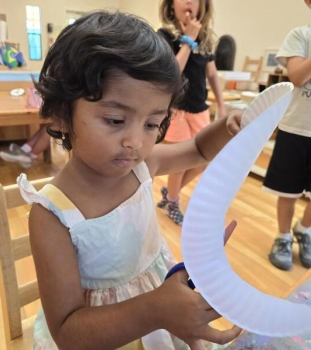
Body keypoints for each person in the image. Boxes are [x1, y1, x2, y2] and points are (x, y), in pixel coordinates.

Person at [17, 11, 242, 350]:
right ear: (63, 115)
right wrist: (155, 309)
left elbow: (197, 148)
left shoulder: (142, 165)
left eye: (152, 123)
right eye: (116, 119)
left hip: (161, 311)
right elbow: (67, 331)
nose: (136, 142)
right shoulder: (52, 215)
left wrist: (228, 127)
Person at [156, 0, 225, 225]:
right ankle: (173, 201)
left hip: (200, 109)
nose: (188, 2)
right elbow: (172, 74)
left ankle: (171, 193)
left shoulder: (206, 38)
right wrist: (188, 40)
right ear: (170, 5)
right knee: (180, 162)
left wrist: (222, 106)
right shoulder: (165, 35)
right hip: (177, 109)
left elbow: (212, 74)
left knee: (204, 160)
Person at [264, 0, 311, 271]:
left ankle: (304, 229)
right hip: (296, 127)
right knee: (288, 191)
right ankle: (283, 236)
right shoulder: (300, 35)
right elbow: (296, 77)